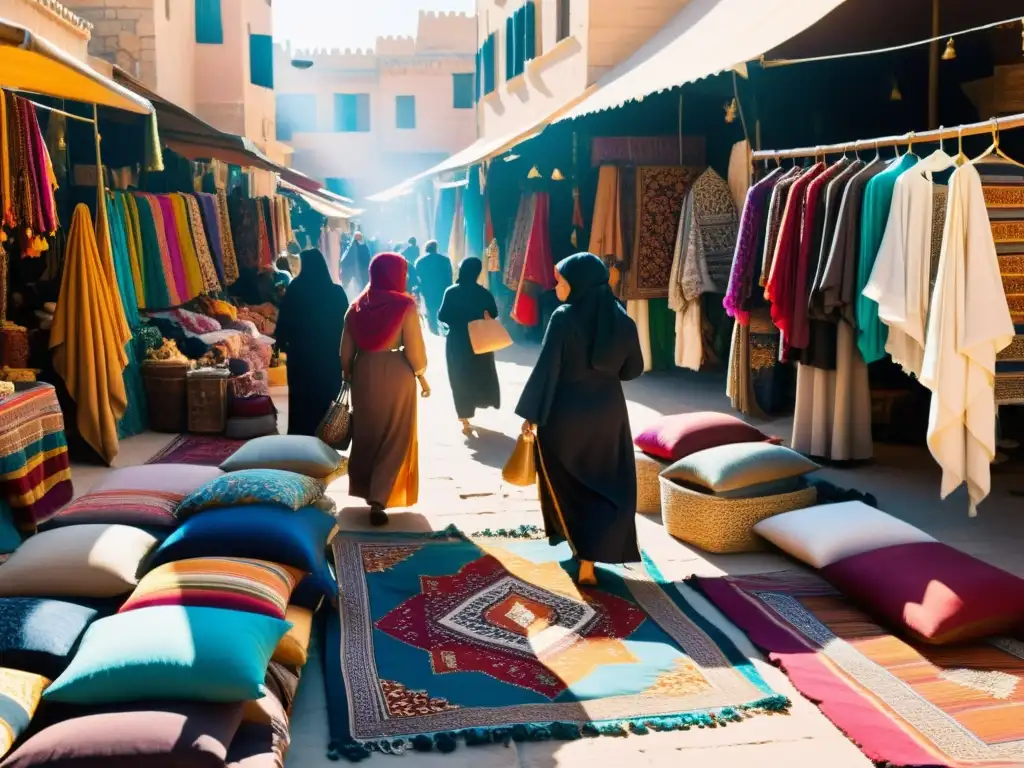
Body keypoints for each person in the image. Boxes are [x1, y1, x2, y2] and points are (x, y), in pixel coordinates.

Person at [515, 252, 644, 585]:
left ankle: (580, 550)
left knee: (570, 483)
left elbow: (548, 370)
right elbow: (633, 370)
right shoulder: (622, 319)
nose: (556, 286)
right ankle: (591, 558)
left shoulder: (564, 318)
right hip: (608, 415)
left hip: (565, 415)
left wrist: (531, 414)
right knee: (606, 483)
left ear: (578, 283)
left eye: (560, 280)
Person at [341, 253, 428, 526]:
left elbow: (344, 352)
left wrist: (349, 374)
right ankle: (381, 497)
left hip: (364, 372)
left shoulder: (356, 306)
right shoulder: (405, 305)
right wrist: (422, 375)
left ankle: (368, 491)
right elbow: (416, 354)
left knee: (367, 433)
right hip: (397, 374)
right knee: (395, 435)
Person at [274, 249, 349, 437]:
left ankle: (301, 447)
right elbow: (347, 326)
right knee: (326, 403)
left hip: (301, 360)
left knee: (302, 404)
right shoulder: (336, 293)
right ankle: (325, 443)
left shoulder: (295, 290)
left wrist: (280, 345)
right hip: (330, 360)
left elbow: (284, 323)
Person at [438, 257, 500, 433]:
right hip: (479, 341)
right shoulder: (484, 293)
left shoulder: (451, 292)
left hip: (457, 341)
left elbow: (442, 316)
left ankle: (464, 416)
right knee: (477, 373)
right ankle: (477, 403)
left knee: (459, 377)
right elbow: (493, 314)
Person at [414, 240, 452, 335]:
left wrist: (419, 291)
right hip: (442, 289)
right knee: (442, 308)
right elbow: (449, 276)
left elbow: (417, 279)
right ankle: (445, 330)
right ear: (436, 248)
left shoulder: (420, 261)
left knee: (431, 310)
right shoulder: (445, 260)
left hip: (428, 291)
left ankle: (434, 331)